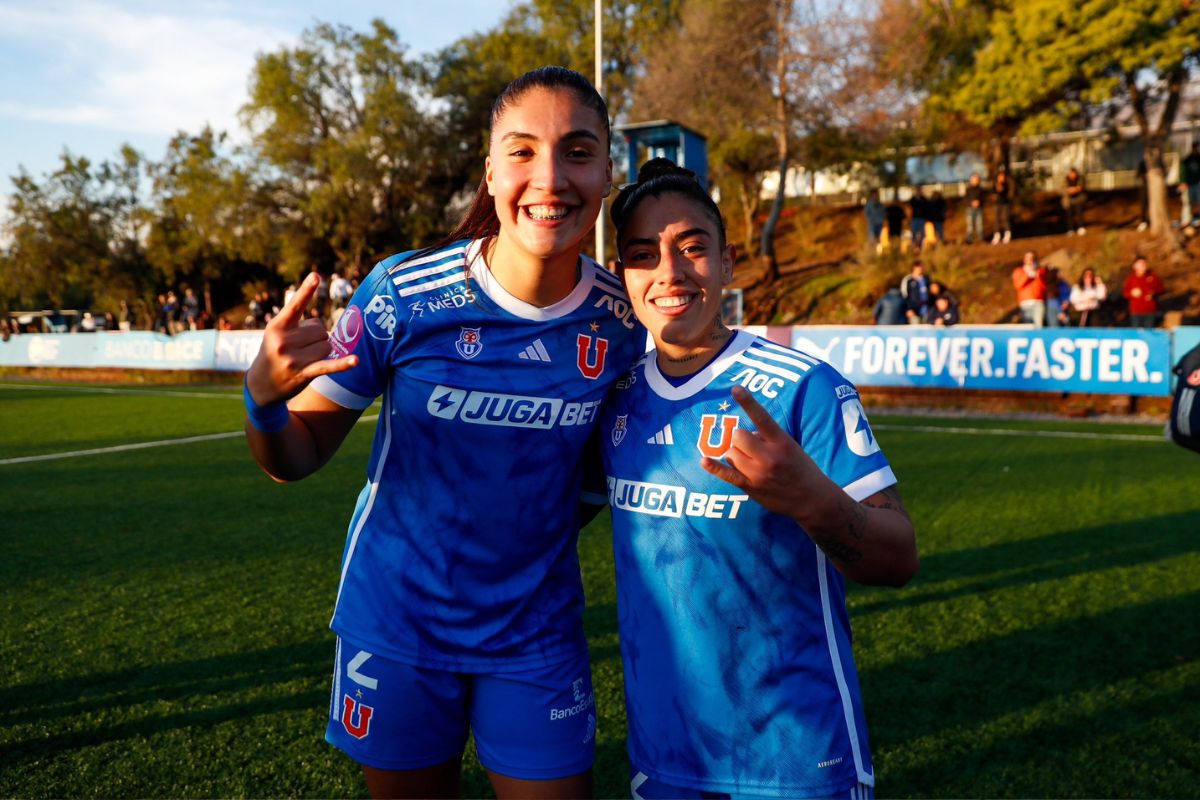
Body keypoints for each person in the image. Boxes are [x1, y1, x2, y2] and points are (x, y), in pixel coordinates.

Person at [242, 66, 645, 800]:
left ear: (607, 174)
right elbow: (294, 457)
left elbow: (607, 471)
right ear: (490, 173)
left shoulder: (622, 324)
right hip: (397, 627)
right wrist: (263, 400)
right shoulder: (404, 294)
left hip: (535, 632)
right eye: (522, 152)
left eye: (578, 152)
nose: (550, 178)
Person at [601, 158, 918, 800]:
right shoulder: (615, 398)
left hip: (794, 760)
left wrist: (812, 500)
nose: (669, 272)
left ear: (728, 263)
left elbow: (898, 557)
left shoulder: (804, 388)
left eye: (693, 248)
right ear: (621, 275)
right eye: (643, 255)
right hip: (662, 758)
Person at [1123, 256, 1164, 328]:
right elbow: (1125, 293)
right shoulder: (1131, 279)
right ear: (1134, 266)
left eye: (1144, 264)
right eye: (1140, 264)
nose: (1142, 266)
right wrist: (1132, 293)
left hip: (1150, 311)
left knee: (1149, 331)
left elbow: (1161, 289)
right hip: (1136, 311)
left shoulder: (1153, 277)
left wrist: (1154, 293)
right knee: (1136, 331)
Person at [1012, 250, 1047, 327]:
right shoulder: (1019, 271)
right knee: (1028, 326)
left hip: (1038, 302)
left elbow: (1044, 286)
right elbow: (1018, 285)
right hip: (1025, 303)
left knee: (1039, 325)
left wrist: (1037, 274)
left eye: (1032, 258)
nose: (1030, 260)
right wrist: (1027, 275)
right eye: (1028, 258)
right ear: (1024, 259)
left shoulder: (1040, 271)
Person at [1063, 166, 1086, 235]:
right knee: (1069, 215)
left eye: (1073, 173)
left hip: (1078, 199)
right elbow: (1062, 188)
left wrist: (1075, 189)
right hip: (1068, 200)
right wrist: (1068, 190)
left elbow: (1081, 187)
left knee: (1079, 213)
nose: (1072, 175)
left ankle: (1081, 227)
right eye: (1071, 173)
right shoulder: (1065, 179)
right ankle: (1070, 229)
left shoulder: (1080, 178)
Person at [991, 169, 1012, 244]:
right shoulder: (994, 185)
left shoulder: (1007, 185)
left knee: (1005, 219)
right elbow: (992, 194)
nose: (1001, 178)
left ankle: (1007, 235)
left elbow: (1009, 194)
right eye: (1000, 176)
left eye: (1003, 176)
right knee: (996, 220)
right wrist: (994, 197)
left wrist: (1002, 190)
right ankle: (997, 235)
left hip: (1005, 204)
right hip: (996, 205)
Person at [1182, 143, 1200, 227]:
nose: (1196, 150)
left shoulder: (1198, 158)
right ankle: (1187, 219)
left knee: (1198, 201)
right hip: (1189, 184)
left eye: (1197, 148)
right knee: (1188, 202)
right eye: (1194, 148)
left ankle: (1198, 218)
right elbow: (1183, 170)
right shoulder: (1188, 159)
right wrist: (1183, 182)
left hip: (1198, 184)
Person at [964, 172, 985, 244]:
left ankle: (981, 238)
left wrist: (979, 202)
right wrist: (971, 203)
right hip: (970, 209)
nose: (975, 181)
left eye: (976, 179)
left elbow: (983, 198)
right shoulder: (968, 189)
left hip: (979, 209)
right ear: (970, 180)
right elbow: (965, 199)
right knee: (970, 225)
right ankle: (969, 239)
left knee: (980, 224)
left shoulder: (981, 189)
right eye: (973, 179)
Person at [909, 185, 927, 252]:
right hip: (915, 218)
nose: (918, 191)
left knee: (922, 233)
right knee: (914, 232)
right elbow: (911, 205)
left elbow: (926, 207)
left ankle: (921, 247)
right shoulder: (913, 199)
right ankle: (914, 247)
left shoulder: (923, 199)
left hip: (921, 218)